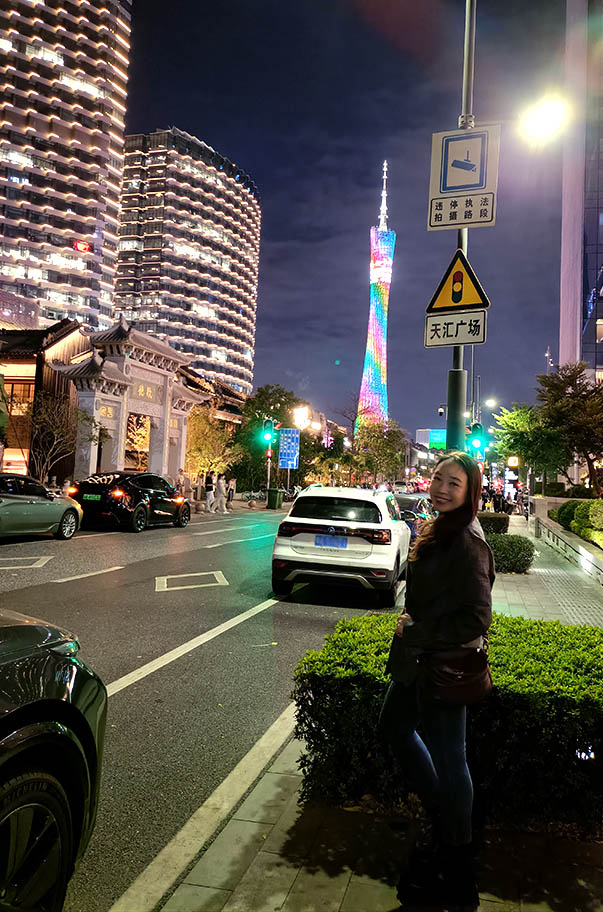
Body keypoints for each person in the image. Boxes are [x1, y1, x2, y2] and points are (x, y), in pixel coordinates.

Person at [379, 452, 494, 911]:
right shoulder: (437, 527)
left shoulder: (468, 542)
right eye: (439, 478)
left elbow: (476, 618)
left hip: (443, 664)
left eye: (454, 483)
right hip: (418, 660)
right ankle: (440, 815)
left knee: (451, 759)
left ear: (470, 493)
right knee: (394, 726)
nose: (442, 488)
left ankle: (458, 864)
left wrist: (419, 630)